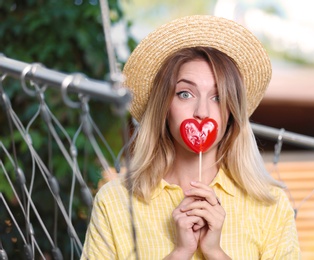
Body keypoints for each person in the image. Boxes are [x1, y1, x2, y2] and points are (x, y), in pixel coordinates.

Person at [81, 15, 300, 259]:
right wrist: (181, 252)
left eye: (217, 97)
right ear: (164, 107)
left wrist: (214, 251)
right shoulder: (115, 202)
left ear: (231, 113)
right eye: (185, 94)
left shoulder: (270, 205)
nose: (202, 112)